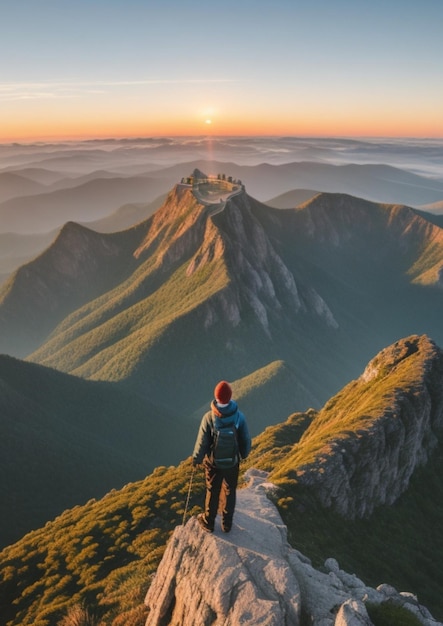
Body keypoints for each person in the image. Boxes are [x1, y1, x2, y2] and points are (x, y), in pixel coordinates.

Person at [192, 380, 251, 533]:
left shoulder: (209, 417)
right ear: (230, 396)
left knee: (213, 490)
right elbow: (245, 439)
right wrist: (243, 454)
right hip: (232, 462)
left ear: (216, 396)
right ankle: (227, 524)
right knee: (230, 490)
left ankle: (209, 521)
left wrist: (196, 459)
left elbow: (202, 442)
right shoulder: (239, 417)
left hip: (213, 463)